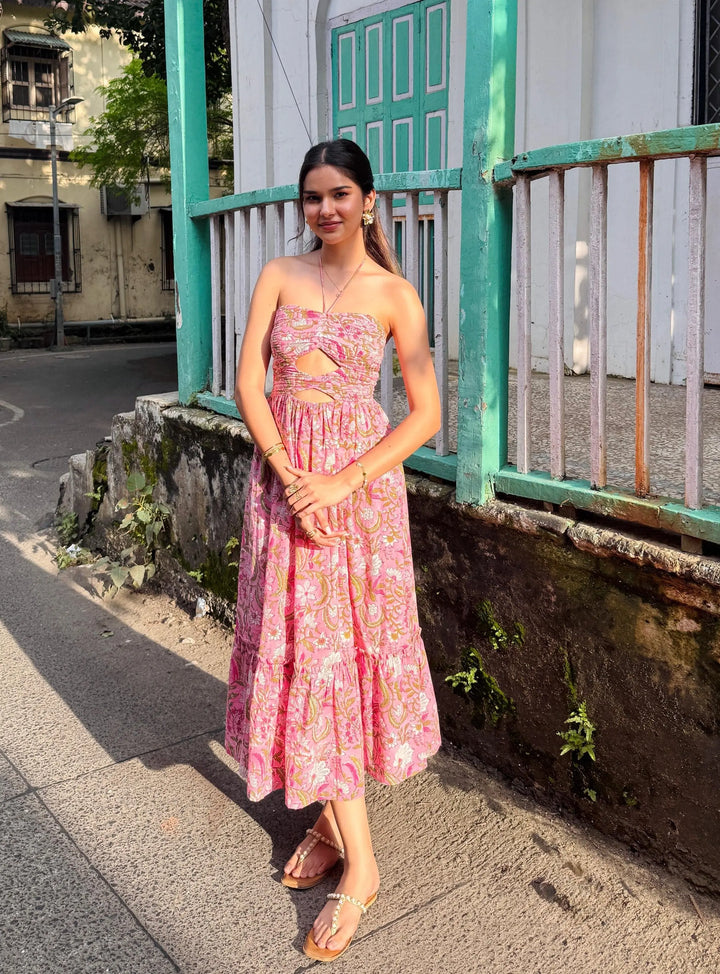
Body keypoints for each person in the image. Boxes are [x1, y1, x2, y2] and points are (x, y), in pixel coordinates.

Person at [225, 138, 441, 962]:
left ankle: (361, 865)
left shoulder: (395, 295)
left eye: (340, 193)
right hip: (285, 487)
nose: (325, 209)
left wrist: (341, 483)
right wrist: (291, 479)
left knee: (338, 656)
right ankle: (335, 823)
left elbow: (424, 413)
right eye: (313, 196)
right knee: (305, 650)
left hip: (358, 496)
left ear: (369, 199)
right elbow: (249, 384)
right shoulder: (280, 276)